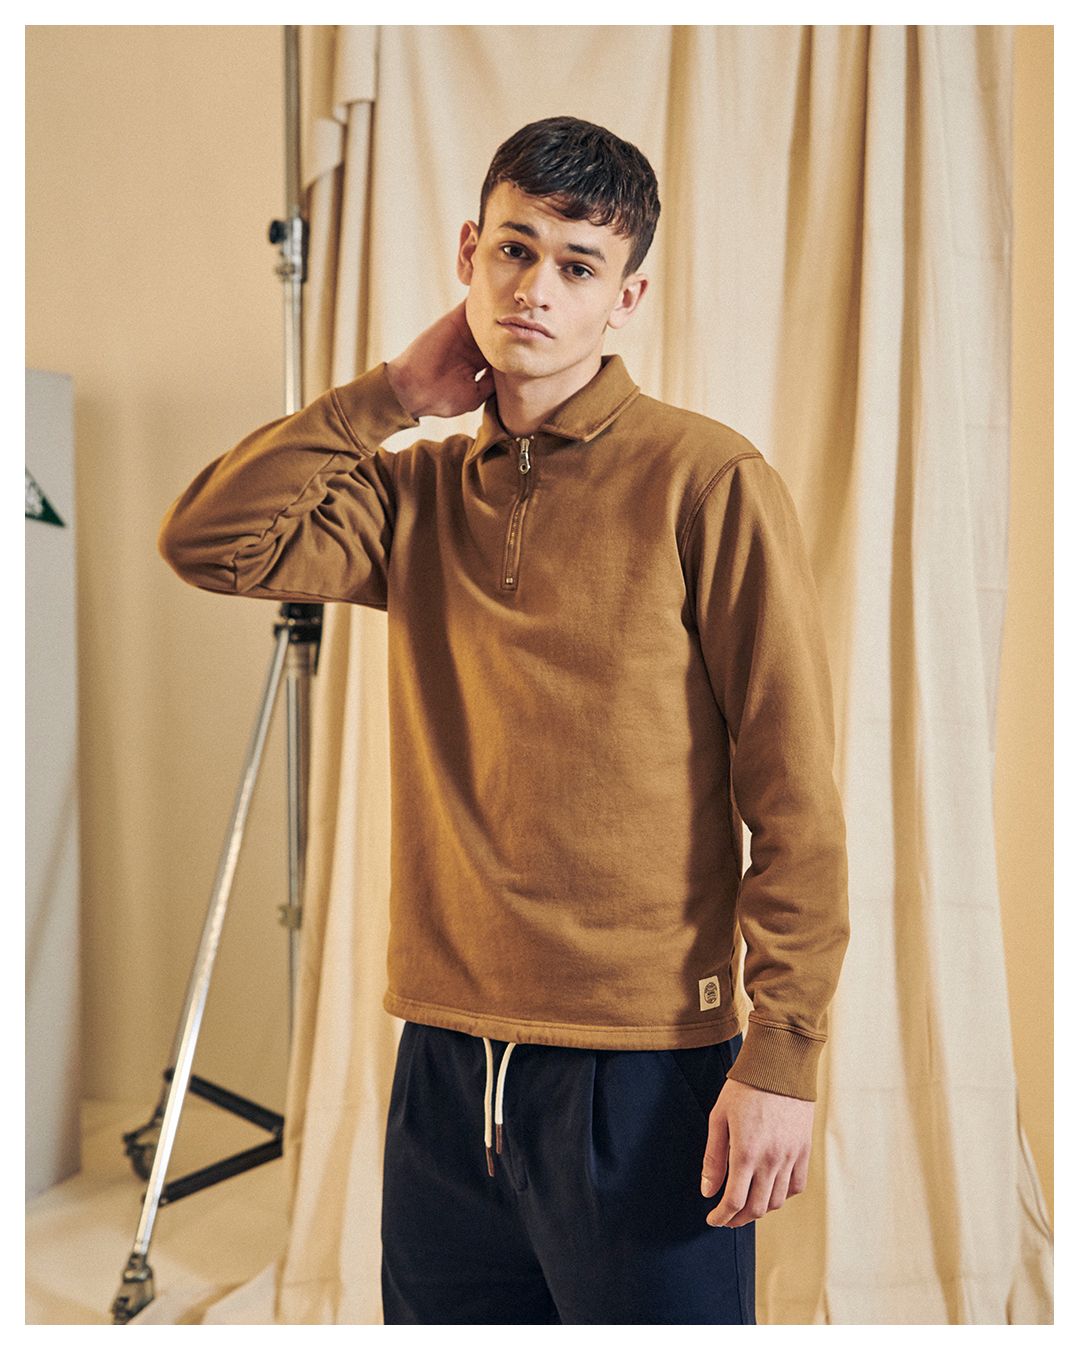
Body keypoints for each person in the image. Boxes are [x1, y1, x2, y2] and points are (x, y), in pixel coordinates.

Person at [158, 115, 849, 1325]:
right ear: (469, 254)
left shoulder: (706, 479)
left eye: (578, 266)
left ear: (626, 298)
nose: (536, 288)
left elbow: (792, 788)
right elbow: (210, 543)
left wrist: (783, 1051)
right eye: (516, 250)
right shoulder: (413, 495)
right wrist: (387, 397)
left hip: (643, 1061)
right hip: (444, 1052)